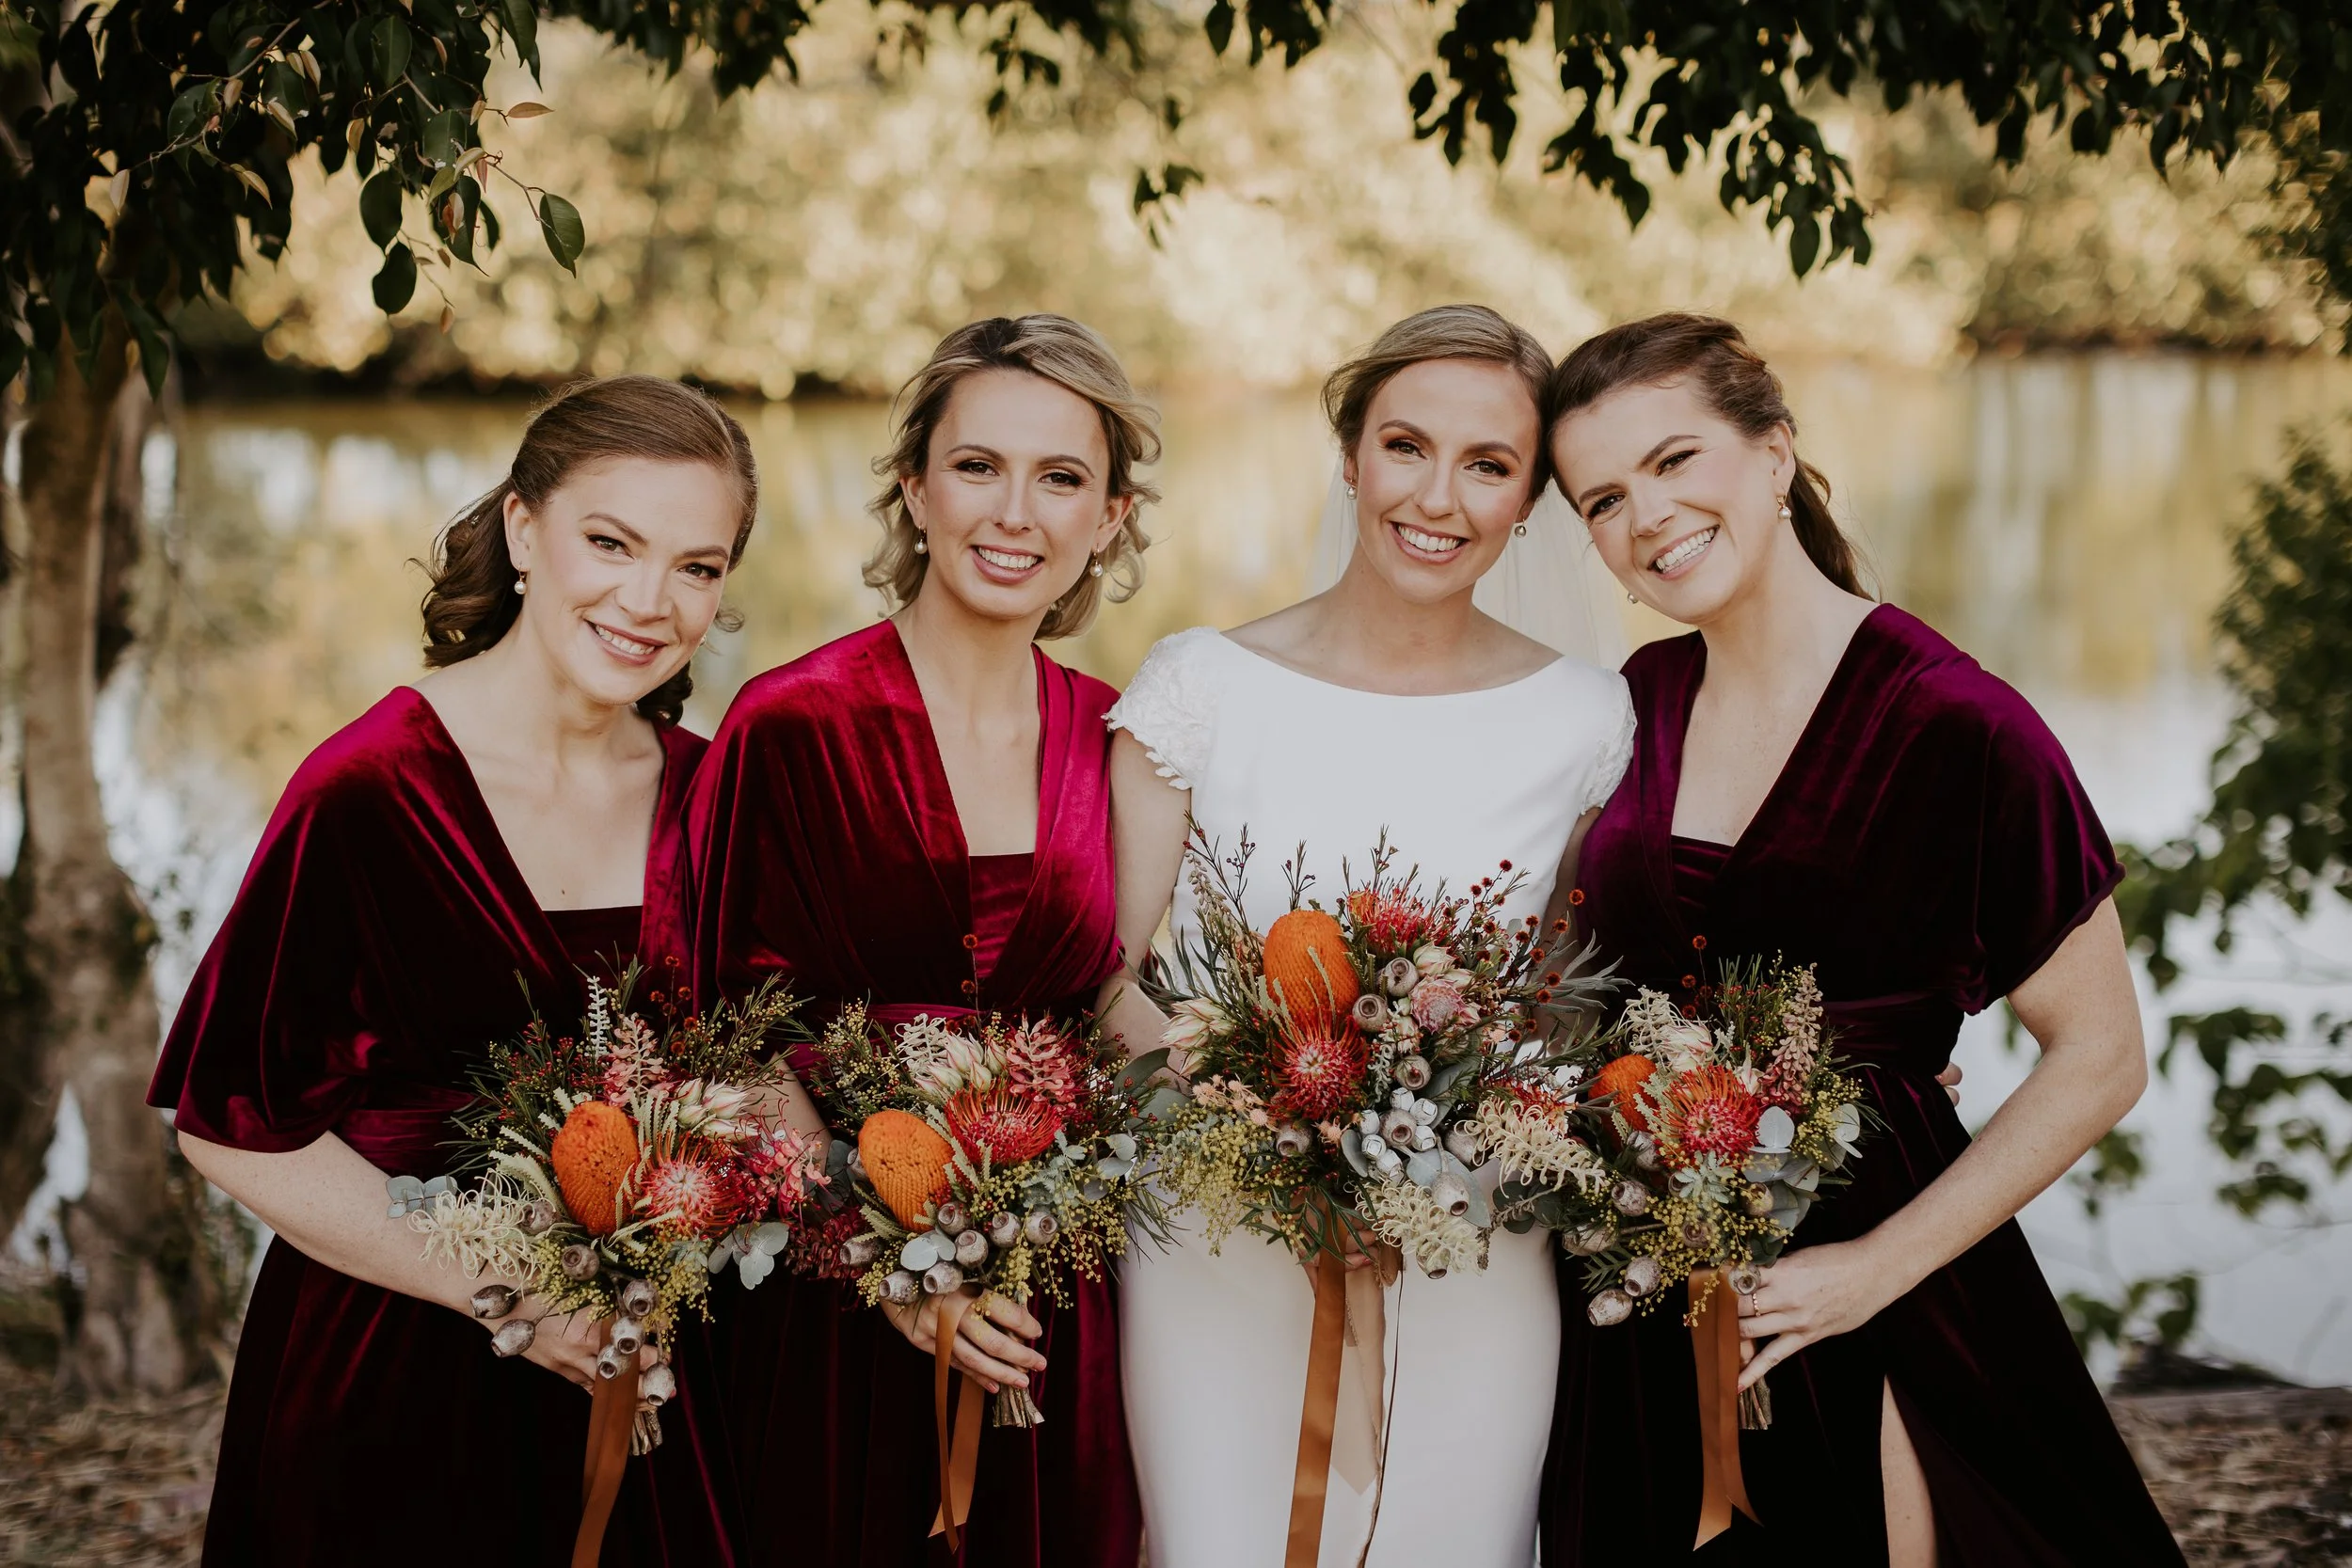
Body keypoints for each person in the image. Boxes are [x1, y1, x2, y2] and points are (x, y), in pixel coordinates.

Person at [1538, 313, 2184, 1566]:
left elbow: (2101, 1054)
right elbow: (1579, 980)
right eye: (1603, 499)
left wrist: (1871, 1268)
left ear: (1775, 452)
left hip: (1869, 1279)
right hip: (1642, 1279)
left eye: (1674, 460)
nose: (1647, 515)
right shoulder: (1629, 708)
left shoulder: (1958, 722)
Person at [148, 376, 758, 1567]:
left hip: (654, 1374)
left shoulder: (712, 795)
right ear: (523, 528)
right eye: (611, 542)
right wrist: (517, 1292)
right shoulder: (368, 791)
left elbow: (756, 1071)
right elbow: (230, 1128)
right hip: (395, 1383)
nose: (650, 601)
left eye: (697, 565)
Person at [1102, 304, 1637, 1567]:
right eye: (1406, 445)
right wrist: (1263, 1123)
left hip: (1470, 1249)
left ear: (1528, 501)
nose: (1436, 497)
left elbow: (1572, 999)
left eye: (1488, 464)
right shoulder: (1199, 685)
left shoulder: (1585, 717)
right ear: (1350, 456)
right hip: (1218, 1241)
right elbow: (1104, 973)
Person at [653, 315, 1159, 1567]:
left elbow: (1112, 995)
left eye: (1061, 477)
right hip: (833, 1296)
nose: (1014, 513)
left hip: (1048, 1297)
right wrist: (890, 1264)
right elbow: (730, 1037)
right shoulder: (790, 723)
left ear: (1110, 517)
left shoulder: (1122, 738)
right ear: (916, 487)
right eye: (978, 465)